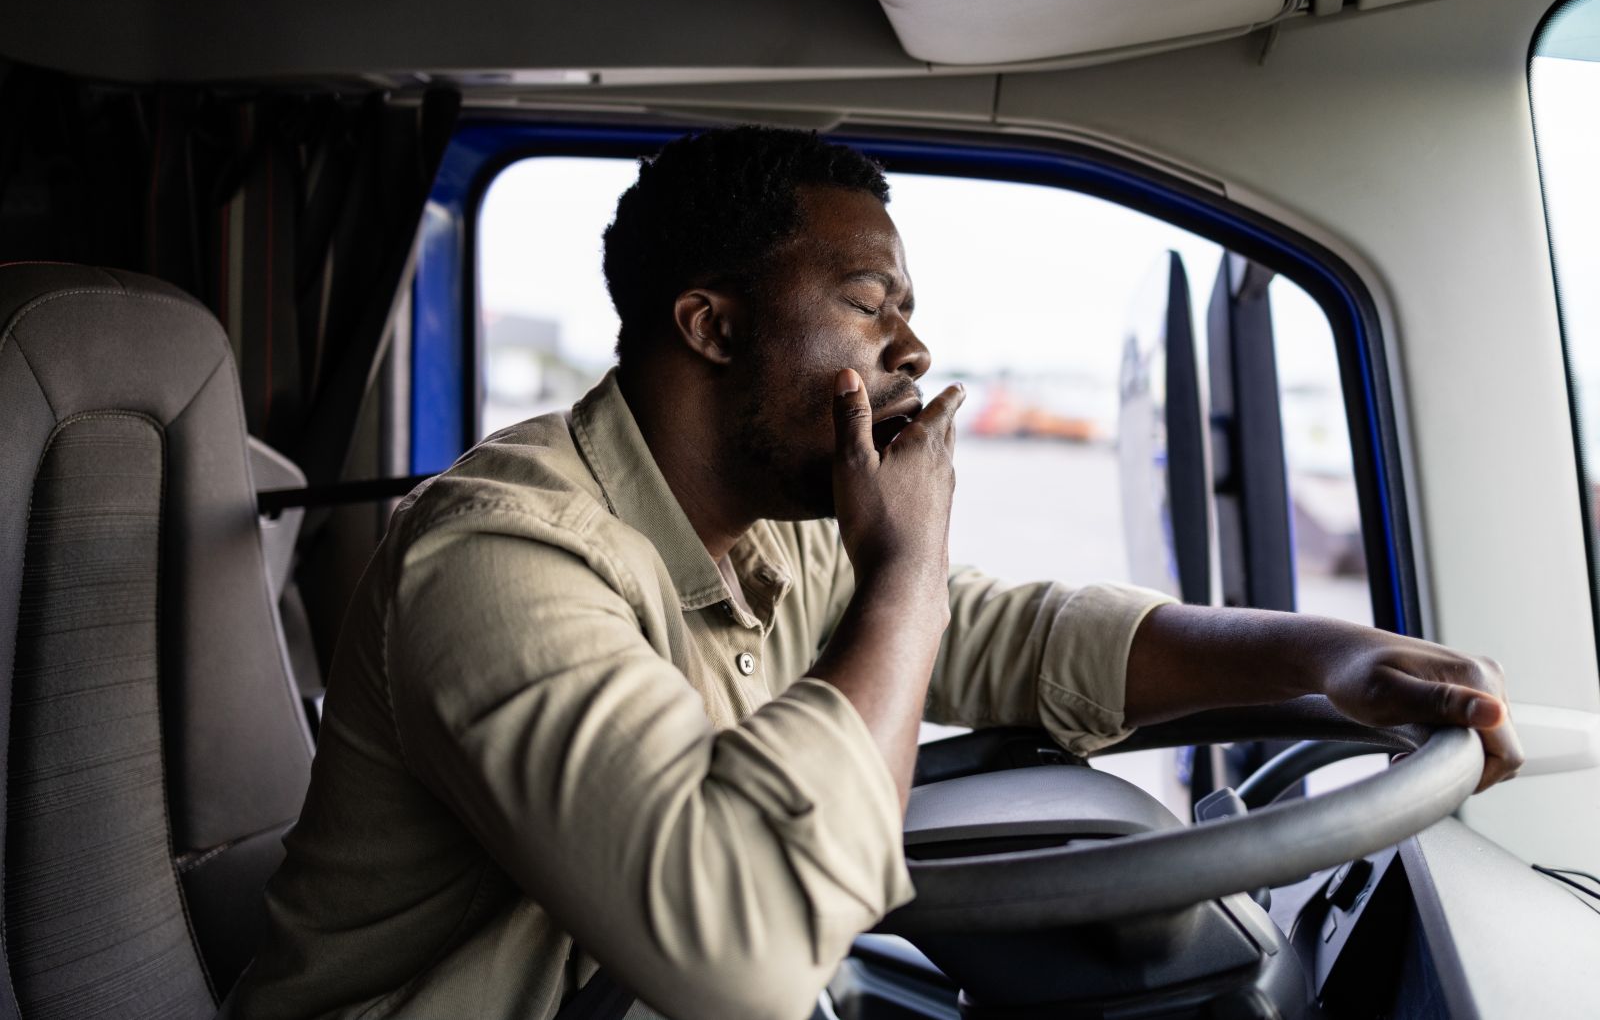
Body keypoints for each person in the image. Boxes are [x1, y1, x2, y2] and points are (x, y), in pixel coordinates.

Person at [224, 127, 1522, 1020]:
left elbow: (1011, 640)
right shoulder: (501, 562)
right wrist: (905, 560)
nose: (913, 343)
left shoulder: (769, 522)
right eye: (868, 300)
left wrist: (1335, 662)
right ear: (713, 325)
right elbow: (740, 951)